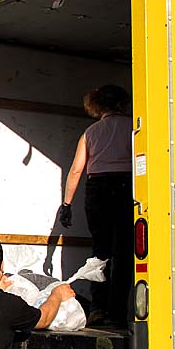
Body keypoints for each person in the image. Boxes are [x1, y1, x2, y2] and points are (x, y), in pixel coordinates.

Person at [59, 84, 133, 325]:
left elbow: (76, 170)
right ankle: (119, 310)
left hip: (97, 190)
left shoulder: (91, 132)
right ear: (123, 102)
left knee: (100, 250)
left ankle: (98, 308)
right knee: (123, 251)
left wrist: (67, 204)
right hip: (124, 186)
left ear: (97, 105)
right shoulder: (133, 127)